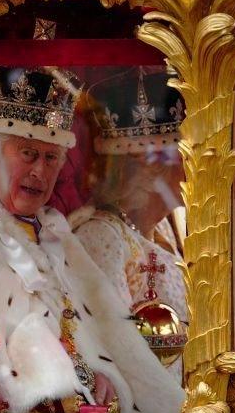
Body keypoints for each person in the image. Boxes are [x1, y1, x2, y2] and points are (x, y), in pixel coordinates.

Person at [0, 67, 183, 413]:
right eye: (28, 154)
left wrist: (96, 371)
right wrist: (76, 383)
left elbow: (82, 331)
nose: (40, 172)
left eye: (50, 159)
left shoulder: (52, 233)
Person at [71, 69, 189, 380]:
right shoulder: (100, 236)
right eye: (187, 154)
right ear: (151, 165)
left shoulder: (168, 229)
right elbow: (115, 356)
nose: (199, 162)